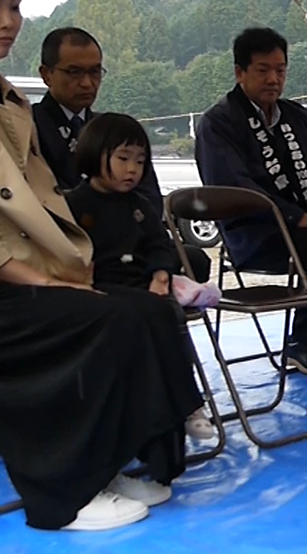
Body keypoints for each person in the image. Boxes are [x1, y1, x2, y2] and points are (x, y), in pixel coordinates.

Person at [0, 0, 199, 531]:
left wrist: (82, 271)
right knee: (99, 318)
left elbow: (45, 211)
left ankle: (119, 459)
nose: (8, 22)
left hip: (15, 273)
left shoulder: (8, 100)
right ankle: (65, 492)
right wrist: (50, 282)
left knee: (148, 311)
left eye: (16, 6)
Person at [196, 27, 307, 376]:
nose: (273, 79)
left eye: (280, 70)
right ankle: (304, 343)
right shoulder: (218, 123)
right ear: (239, 72)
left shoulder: (295, 115)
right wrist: (294, 217)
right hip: (255, 231)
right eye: (263, 70)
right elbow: (234, 186)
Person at [65, 112, 216, 439]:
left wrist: (161, 274)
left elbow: (160, 245)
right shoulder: (73, 204)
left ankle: (189, 404)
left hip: (143, 284)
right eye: (122, 159)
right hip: (101, 288)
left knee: (170, 316)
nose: (132, 169)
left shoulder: (141, 205)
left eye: (140, 161)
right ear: (94, 154)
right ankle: (152, 407)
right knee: (141, 321)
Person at [34, 27, 211, 281]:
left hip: (130, 231)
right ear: (46, 74)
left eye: (95, 72)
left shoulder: (112, 129)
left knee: (194, 259)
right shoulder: (28, 126)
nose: (87, 82)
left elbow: (147, 193)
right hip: (73, 238)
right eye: (74, 72)